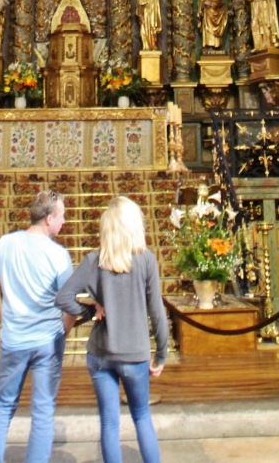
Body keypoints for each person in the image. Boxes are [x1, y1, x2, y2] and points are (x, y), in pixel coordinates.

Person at [55, 196, 168, 463]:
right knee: (141, 418)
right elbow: (157, 313)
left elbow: (63, 298)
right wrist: (161, 354)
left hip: (101, 354)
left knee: (109, 423)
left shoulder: (93, 260)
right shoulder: (146, 260)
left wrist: (90, 308)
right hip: (134, 354)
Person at [0, 190, 74, 463]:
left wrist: (7, 316)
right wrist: (64, 330)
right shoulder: (59, 255)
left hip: (14, 338)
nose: (64, 222)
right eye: (62, 216)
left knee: (2, 408)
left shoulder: (5, 244)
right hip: (47, 340)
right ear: (48, 219)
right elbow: (69, 304)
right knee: (43, 412)